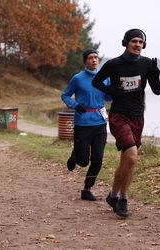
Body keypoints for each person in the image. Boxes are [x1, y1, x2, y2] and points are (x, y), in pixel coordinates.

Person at [92, 29, 160, 218]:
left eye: (141, 42)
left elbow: (157, 91)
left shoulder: (147, 64)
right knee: (131, 156)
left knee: (126, 161)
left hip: (138, 116)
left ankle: (113, 195)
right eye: (134, 41)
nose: (138, 44)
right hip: (118, 116)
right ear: (126, 43)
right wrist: (111, 90)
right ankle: (123, 198)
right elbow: (96, 82)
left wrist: (155, 76)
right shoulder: (113, 64)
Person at [61, 48, 111, 201]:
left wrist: (117, 90)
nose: (94, 60)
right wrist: (75, 105)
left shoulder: (105, 78)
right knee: (83, 161)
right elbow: (65, 95)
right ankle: (76, 155)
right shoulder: (78, 78)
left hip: (100, 122)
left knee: (98, 159)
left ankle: (87, 189)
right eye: (90, 58)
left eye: (96, 57)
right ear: (85, 61)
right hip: (82, 123)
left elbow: (109, 97)